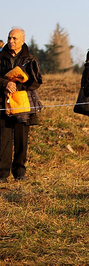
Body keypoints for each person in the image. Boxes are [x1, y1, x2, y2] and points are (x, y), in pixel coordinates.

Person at [0, 28, 42, 183]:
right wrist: (6, 84)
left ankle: (19, 173)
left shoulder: (30, 59)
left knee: (21, 140)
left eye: (14, 38)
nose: (11, 41)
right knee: (3, 141)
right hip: (3, 104)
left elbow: (36, 82)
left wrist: (17, 84)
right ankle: (2, 175)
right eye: (9, 38)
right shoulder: (0, 57)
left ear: (22, 40)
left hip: (23, 105)